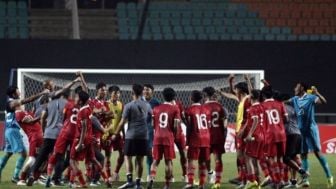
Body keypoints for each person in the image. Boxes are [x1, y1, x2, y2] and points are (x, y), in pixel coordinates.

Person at [0, 86, 48, 183]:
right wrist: (42, 93)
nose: (19, 90)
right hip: (13, 131)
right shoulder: (13, 103)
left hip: (9, 130)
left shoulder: (12, 104)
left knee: (8, 154)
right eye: (17, 89)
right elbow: (28, 100)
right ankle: (17, 176)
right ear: (14, 93)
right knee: (24, 154)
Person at [289, 82, 333, 188]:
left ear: (302, 88)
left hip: (311, 130)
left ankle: (329, 177)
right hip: (300, 131)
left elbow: (323, 101)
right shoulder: (294, 99)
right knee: (303, 154)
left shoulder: (310, 97)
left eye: (297, 87)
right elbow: (283, 101)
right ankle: (305, 179)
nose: (295, 88)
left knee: (318, 153)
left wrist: (317, 93)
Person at [27, 89, 71, 186]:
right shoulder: (67, 104)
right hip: (60, 135)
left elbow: (42, 117)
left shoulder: (49, 104)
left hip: (48, 133)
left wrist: (43, 130)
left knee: (41, 156)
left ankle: (31, 174)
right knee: (60, 158)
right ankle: (56, 179)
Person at [69, 91, 112, 188]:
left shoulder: (83, 111)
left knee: (72, 161)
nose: (75, 98)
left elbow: (84, 126)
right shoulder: (88, 108)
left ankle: (83, 184)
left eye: (76, 97)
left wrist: (80, 143)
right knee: (93, 159)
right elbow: (91, 121)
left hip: (81, 138)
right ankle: (106, 179)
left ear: (80, 100)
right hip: (89, 139)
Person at [113, 84, 152, 189]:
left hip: (132, 135)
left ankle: (130, 181)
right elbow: (151, 117)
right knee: (140, 160)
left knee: (127, 156)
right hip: (143, 135)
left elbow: (122, 122)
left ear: (133, 93)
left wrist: (115, 134)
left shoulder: (129, 105)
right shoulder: (147, 105)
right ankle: (138, 184)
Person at [220, 75, 252, 187]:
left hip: (244, 131)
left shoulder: (248, 99)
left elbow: (249, 117)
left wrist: (248, 80)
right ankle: (243, 178)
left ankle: (248, 179)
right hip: (239, 131)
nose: (235, 91)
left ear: (241, 91)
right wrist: (230, 81)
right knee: (240, 157)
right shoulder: (241, 99)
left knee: (244, 156)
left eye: (237, 89)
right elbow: (231, 91)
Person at [147, 87, 181, 189]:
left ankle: (151, 179)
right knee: (168, 161)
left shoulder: (156, 108)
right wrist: (174, 135)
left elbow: (153, 124)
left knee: (155, 161)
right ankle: (167, 185)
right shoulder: (175, 108)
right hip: (168, 137)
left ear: (163, 96)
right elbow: (176, 125)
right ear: (173, 97)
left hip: (157, 137)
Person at [275, 93, 309, 188]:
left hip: (290, 135)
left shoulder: (281, 107)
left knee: (286, 158)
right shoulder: (293, 108)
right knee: (294, 157)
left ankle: (302, 172)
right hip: (298, 134)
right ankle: (294, 182)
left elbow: (282, 120)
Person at [260, 86, 288, 189]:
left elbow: (261, 122)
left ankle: (277, 181)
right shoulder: (280, 103)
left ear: (263, 95)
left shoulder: (262, 106)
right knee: (280, 158)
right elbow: (286, 119)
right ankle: (282, 179)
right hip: (281, 134)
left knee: (272, 159)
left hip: (270, 135)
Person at [184, 90, 210, 189]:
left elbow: (189, 125)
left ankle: (190, 182)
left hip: (195, 137)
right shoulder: (207, 109)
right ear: (201, 99)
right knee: (202, 161)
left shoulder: (189, 110)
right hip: (206, 137)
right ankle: (201, 184)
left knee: (190, 160)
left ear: (191, 98)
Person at [202, 86, 228, 189]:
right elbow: (224, 124)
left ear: (205, 95)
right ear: (213, 95)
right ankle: (217, 182)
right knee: (218, 159)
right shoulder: (220, 107)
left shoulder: (202, 107)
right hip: (218, 136)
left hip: (206, 137)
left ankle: (209, 174)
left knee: (205, 158)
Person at [240, 90, 264, 189]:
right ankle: (258, 183)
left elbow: (256, 120)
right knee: (256, 161)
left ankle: (252, 180)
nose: (248, 97)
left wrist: (249, 134)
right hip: (262, 136)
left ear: (252, 97)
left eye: (250, 95)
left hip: (254, 137)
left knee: (247, 157)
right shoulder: (262, 107)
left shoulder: (253, 108)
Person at [15, 103, 45, 186]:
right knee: (32, 159)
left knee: (42, 159)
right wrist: (41, 116)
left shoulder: (26, 112)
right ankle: (22, 179)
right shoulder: (18, 113)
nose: (21, 103)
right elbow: (30, 121)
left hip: (40, 137)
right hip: (34, 137)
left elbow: (36, 120)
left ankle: (35, 178)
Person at [102, 85, 125, 181]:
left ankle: (115, 172)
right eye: (115, 93)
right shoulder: (105, 104)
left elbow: (122, 121)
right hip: (107, 134)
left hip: (117, 133)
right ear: (110, 94)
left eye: (118, 93)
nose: (117, 95)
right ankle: (108, 176)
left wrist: (124, 134)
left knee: (123, 153)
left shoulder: (121, 104)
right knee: (108, 155)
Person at [143, 84, 160, 182]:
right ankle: (139, 176)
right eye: (144, 90)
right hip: (140, 130)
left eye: (147, 90)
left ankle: (149, 174)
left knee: (149, 153)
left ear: (152, 91)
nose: (145, 91)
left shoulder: (156, 102)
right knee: (139, 154)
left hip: (150, 131)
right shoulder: (140, 101)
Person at [172, 99, 187, 182]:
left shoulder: (178, 104)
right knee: (169, 157)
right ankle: (170, 176)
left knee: (184, 154)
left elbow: (183, 117)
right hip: (169, 134)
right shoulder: (163, 105)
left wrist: (188, 126)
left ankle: (185, 174)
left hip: (179, 133)